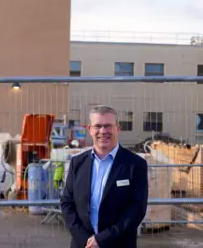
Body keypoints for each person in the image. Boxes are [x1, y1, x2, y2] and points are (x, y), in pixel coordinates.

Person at [60, 105, 149, 248]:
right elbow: (67, 203)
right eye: (98, 126)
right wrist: (84, 239)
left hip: (118, 243)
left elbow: (137, 209)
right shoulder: (77, 163)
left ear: (117, 129)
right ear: (90, 129)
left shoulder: (135, 165)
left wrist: (102, 239)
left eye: (108, 126)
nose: (103, 131)